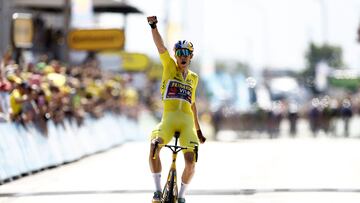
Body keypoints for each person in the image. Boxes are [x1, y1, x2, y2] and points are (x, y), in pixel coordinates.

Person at [147, 16, 206, 203]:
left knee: (190, 162)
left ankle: (181, 196)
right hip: (168, 120)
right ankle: (157, 191)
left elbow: (193, 105)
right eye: (179, 52)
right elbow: (160, 47)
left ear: (190, 56)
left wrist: (198, 130)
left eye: (185, 53)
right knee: (154, 146)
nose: (182, 56)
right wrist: (153, 26)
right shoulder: (169, 66)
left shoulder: (194, 78)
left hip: (187, 122)